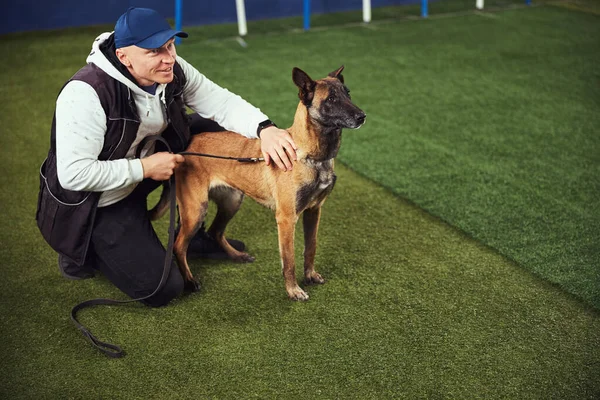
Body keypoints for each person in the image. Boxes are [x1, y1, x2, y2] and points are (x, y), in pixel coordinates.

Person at [36, 7, 297, 307]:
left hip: (147, 160)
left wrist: (265, 129)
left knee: (216, 127)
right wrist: (145, 168)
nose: (169, 57)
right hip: (98, 201)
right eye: (155, 51)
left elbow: (217, 100)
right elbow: (74, 175)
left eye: (170, 45)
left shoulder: (170, 68)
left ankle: (196, 233)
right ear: (124, 57)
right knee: (163, 288)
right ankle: (79, 250)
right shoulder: (85, 93)